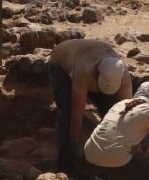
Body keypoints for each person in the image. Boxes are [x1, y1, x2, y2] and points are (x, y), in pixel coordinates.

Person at [48, 37, 132, 170]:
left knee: (112, 112)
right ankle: (65, 163)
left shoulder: (123, 76)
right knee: (67, 112)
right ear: (96, 73)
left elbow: (128, 111)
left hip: (91, 58)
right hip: (62, 62)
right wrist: (73, 143)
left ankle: (108, 158)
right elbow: (77, 112)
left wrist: (135, 139)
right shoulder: (83, 71)